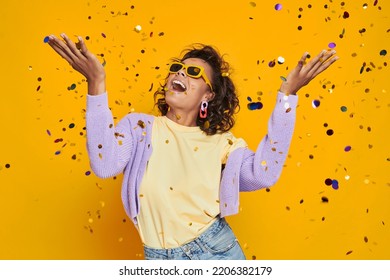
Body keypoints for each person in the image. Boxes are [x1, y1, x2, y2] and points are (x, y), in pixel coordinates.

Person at [46, 33, 338, 260]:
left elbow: (263, 173)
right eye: (177, 69)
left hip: (215, 253)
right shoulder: (140, 128)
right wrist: (96, 84)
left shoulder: (222, 145)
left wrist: (287, 97)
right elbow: (104, 163)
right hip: (158, 260)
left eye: (194, 73)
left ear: (208, 95)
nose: (180, 74)